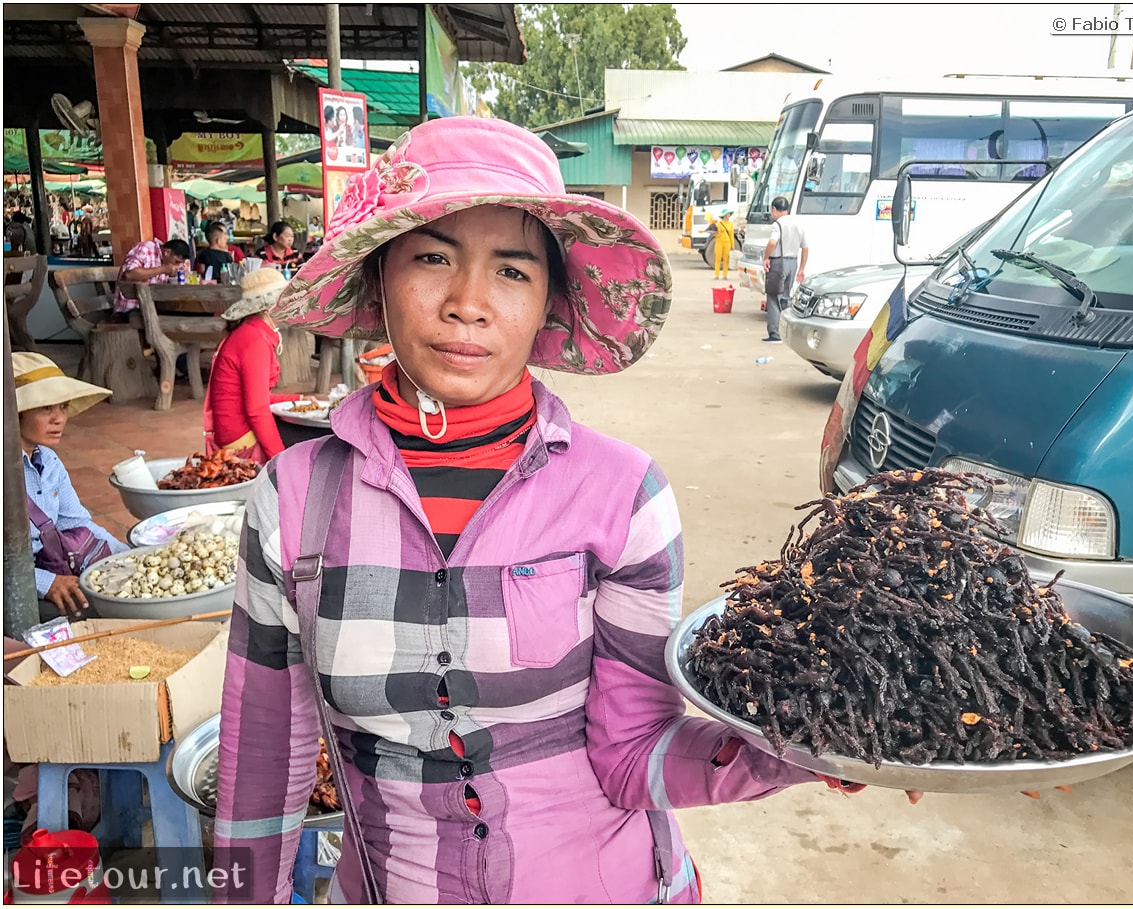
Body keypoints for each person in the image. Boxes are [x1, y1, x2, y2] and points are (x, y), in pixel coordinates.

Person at [211, 116, 861, 906]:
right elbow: (263, 758)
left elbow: (632, 755)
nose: (468, 303)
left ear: (550, 300)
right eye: (431, 257)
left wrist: (807, 748)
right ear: (378, 280)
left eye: (512, 271)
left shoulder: (624, 495)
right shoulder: (293, 498)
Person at [14, 352, 129, 621]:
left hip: (51, 565)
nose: (59, 418)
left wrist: (129, 558)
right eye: (46, 408)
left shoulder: (49, 459)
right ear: (14, 413)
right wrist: (46, 583)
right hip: (15, 586)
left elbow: (77, 523)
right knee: (94, 610)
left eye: (63, 407)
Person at [203, 269, 313, 464]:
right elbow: (257, 410)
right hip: (239, 437)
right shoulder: (254, 340)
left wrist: (299, 399)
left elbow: (255, 398)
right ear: (267, 308)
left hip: (232, 429)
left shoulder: (251, 333)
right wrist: (280, 461)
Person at [761, 195, 809, 342]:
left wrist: (766, 258)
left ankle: (775, 334)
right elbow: (805, 247)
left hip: (778, 264)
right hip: (793, 263)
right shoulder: (797, 224)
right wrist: (801, 269)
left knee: (773, 297)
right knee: (786, 298)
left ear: (774, 209)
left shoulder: (777, 225)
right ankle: (787, 333)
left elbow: (772, 242)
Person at [113, 238, 192, 314]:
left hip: (152, 308)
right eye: (176, 262)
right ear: (167, 252)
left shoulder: (167, 261)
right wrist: (163, 269)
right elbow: (129, 274)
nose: (177, 265)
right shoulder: (145, 249)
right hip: (131, 309)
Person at [713, 209, 736, 280]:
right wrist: (720, 232)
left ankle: (725, 275)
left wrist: (733, 245)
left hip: (727, 243)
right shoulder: (718, 224)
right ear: (724, 215)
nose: (729, 215)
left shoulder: (730, 224)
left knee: (726, 259)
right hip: (719, 242)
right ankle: (716, 275)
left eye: (729, 214)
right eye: (728, 214)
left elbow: (731, 235)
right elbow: (715, 234)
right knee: (718, 259)